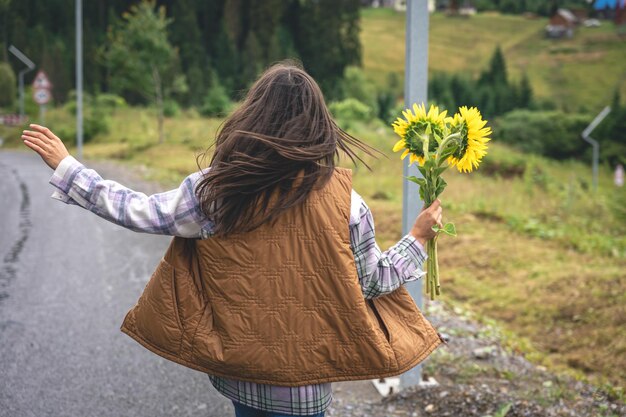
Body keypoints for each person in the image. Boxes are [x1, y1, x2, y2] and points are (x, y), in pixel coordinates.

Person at [21, 62, 443, 417]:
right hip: (306, 386)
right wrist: (417, 239)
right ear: (318, 123)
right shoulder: (347, 202)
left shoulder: (219, 190)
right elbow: (370, 282)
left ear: (252, 114)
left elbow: (141, 212)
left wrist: (71, 169)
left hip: (240, 373)